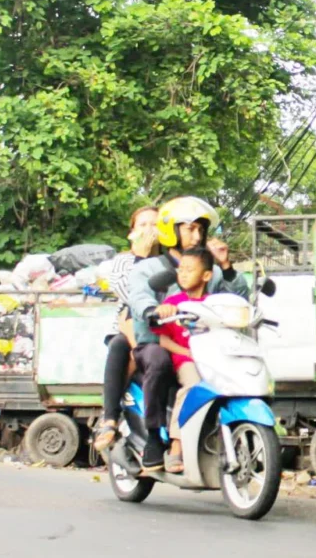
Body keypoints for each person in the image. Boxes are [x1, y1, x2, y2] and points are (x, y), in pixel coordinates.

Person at [126, 196, 249, 471]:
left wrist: (226, 267)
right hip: (159, 342)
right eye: (189, 228)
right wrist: (152, 309)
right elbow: (138, 294)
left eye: (200, 229)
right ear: (172, 230)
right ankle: (156, 439)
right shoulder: (149, 268)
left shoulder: (212, 272)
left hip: (203, 347)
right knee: (157, 360)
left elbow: (238, 299)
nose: (197, 235)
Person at [93, 206, 160, 453]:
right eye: (143, 225)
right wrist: (141, 257)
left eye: (154, 224)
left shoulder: (167, 260)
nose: (149, 230)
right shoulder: (123, 261)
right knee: (120, 345)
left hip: (163, 328)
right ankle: (110, 417)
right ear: (132, 233)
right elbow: (130, 293)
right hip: (129, 325)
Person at [153, 247, 214, 473]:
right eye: (181, 269)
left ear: (206, 275)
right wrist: (187, 353)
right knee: (193, 385)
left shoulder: (214, 303)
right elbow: (163, 341)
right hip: (185, 360)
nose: (184, 274)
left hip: (213, 361)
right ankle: (176, 447)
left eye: (190, 269)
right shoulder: (174, 302)